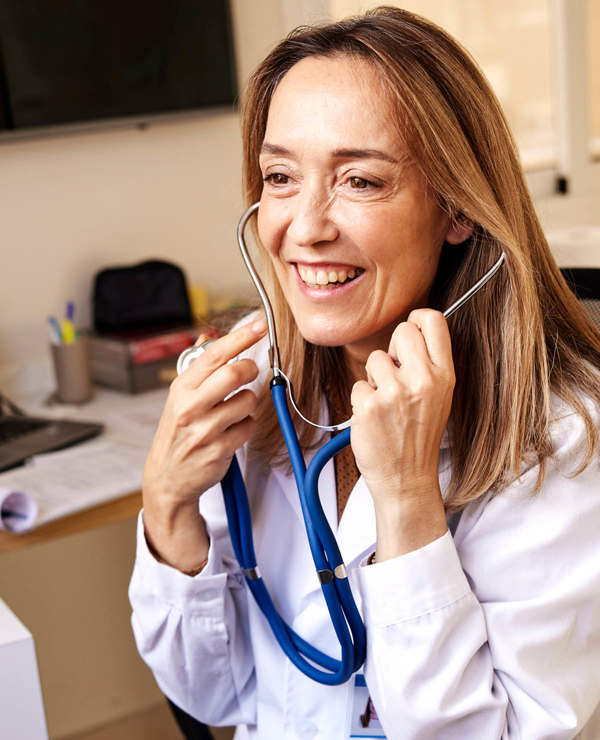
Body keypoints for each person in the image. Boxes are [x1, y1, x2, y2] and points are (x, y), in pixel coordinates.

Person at [129, 7, 600, 739]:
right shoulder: (254, 395)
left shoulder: (562, 437)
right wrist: (168, 508)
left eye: (360, 181)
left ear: (458, 209)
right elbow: (213, 698)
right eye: (280, 176)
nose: (306, 226)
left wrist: (409, 501)